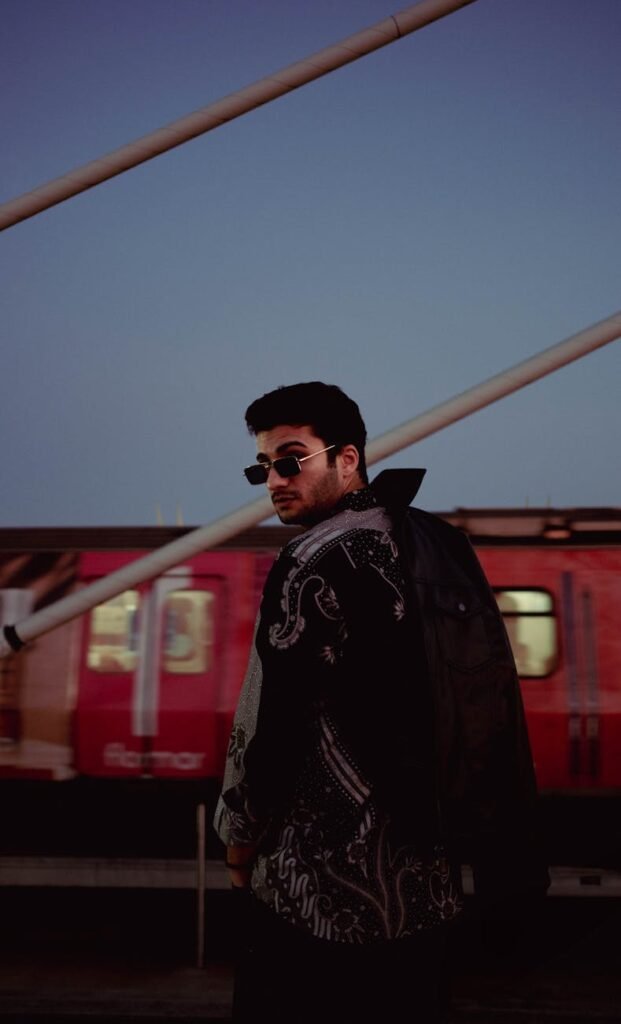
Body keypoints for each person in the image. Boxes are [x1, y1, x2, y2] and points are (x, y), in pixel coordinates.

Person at [214, 382, 548, 1022]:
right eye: (262, 467)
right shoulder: (434, 543)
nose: (274, 481)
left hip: (316, 894)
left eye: (291, 460)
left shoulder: (311, 558)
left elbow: (276, 722)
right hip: (424, 883)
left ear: (347, 458)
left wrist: (239, 836)